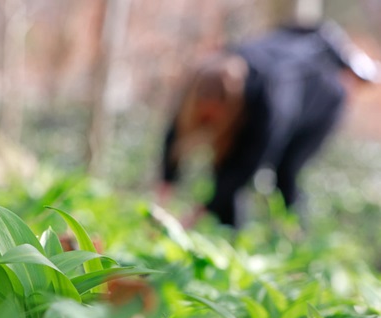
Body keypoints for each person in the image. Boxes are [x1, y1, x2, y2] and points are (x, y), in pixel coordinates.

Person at [158, 21, 379, 227]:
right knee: (226, 172)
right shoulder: (206, 77)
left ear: (231, 108)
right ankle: (230, 231)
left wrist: (193, 217)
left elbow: (246, 166)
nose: (210, 121)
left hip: (319, 101)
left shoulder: (270, 103)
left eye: (214, 116)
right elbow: (176, 131)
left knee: (286, 171)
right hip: (277, 90)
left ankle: (293, 238)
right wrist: (164, 189)